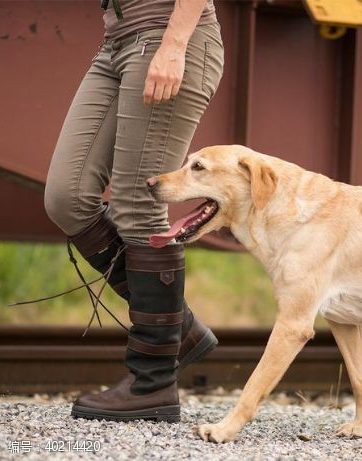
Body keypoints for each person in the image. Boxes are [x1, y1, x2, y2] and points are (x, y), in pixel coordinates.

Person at [43, 0, 224, 422]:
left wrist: (174, 44)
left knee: (139, 205)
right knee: (66, 198)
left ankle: (153, 381)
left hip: (168, 37)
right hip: (116, 44)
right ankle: (177, 329)